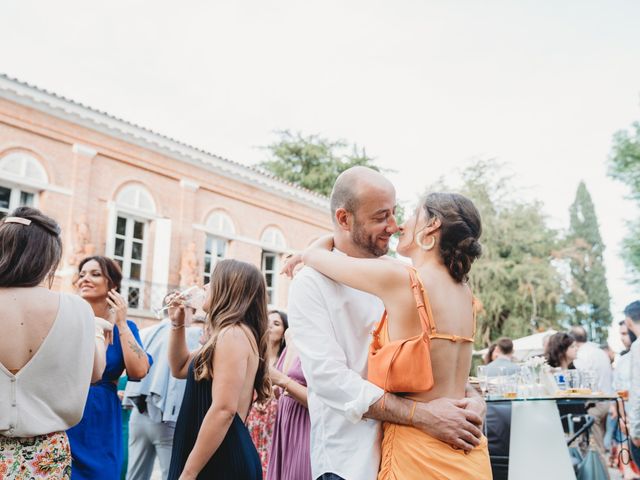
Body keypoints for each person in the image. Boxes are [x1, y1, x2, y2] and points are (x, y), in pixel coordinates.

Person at [284, 167, 488, 480]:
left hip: (418, 452)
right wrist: (421, 416)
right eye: (381, 216)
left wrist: (472, 399)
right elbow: (329, 380)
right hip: (352, 462)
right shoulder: (311, 283)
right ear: (344, 218)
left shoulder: (404, 276)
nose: (394, 226)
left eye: (395, 213)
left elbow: (435, 365)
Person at [0, 207, 108, 479]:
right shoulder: (78, 309)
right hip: (45, 454)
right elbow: (95, 373)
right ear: (49, 258)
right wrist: (96, 332)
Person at [167, 259, 269, 480]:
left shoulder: (232, 334)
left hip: (221, 458)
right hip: (212, 452)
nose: (204, 286)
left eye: (211, 281)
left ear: (228, 289)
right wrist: (177, 324)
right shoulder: (225, 335)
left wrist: (189, 472)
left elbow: (224, 410)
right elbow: (180, 367)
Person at [67, 256, 152, 480]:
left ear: (112, 285)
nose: (85, 278)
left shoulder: (126, 327)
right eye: (82, 273)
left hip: (101, 419)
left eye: (95, 274)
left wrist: (122, 323)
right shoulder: (67, 319)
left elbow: (140, 371)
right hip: (66, 410)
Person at [123, 292, 202, 480]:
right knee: (172, 474)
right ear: (185, 310)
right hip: (167, 418)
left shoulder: (144, 332)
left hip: (138, 414)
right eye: (194, 311)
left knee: (135, 475)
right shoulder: (192, 335)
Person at [246, 309, 288, 477]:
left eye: (276, 323)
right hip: (253, 416)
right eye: (267, 321)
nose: (270, 326)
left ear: (285, 332)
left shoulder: (286, 359)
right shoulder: (254, 355)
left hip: (275, 417)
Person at [267, 330, 311, 480]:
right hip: (283, 427)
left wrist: (281, 381)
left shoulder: (315, 337)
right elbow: (284, 388)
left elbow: (322, 401)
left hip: (304, 427)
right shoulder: (291, 335)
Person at [570, 325, 614, 456]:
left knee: (595, 448)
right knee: (599, 441)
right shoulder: (598, 351)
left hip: (594, 404)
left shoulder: (582, 355)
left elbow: (581, 382)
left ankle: (599, 473)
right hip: (606, 401)